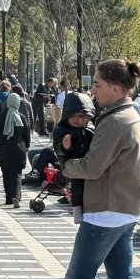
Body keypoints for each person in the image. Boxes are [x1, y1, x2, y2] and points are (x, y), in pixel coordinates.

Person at [6, 60, 140, 279]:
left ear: (115, 88)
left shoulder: (114, 123)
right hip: (122, 210)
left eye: (97, 85)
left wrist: (64, 167)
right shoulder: (128, 116)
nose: (92, 91)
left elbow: (92, 166)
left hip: (105, 213)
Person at [53, 92, 96, 222]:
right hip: (74, 165)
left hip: (88, 164)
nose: (78, 120)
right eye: (74, 116)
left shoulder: (90, 129)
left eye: (82, 116)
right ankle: (77, 209)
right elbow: (59, 150)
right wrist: (65, 147)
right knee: (76, 187)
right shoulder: (62, 130)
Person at [0, 92, 31, 208]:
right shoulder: (21, 117)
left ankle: (8, 198)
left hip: (3, 150)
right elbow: (27, 134)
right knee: (17, 174)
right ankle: (16, 196)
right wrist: (27, 145)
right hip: (18, 150)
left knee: (6, 174)